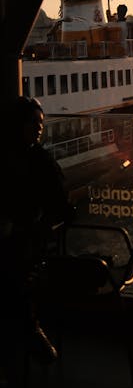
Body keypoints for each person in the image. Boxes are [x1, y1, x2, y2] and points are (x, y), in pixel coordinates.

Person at [0, 96, 76, 364]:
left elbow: (60, 207)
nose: (40, 127)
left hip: (25, 242)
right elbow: (63, 207)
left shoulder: (27, 159)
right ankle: (28, 330)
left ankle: (26, 329)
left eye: (41, 122)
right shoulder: (36, 159)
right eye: (34, 122)